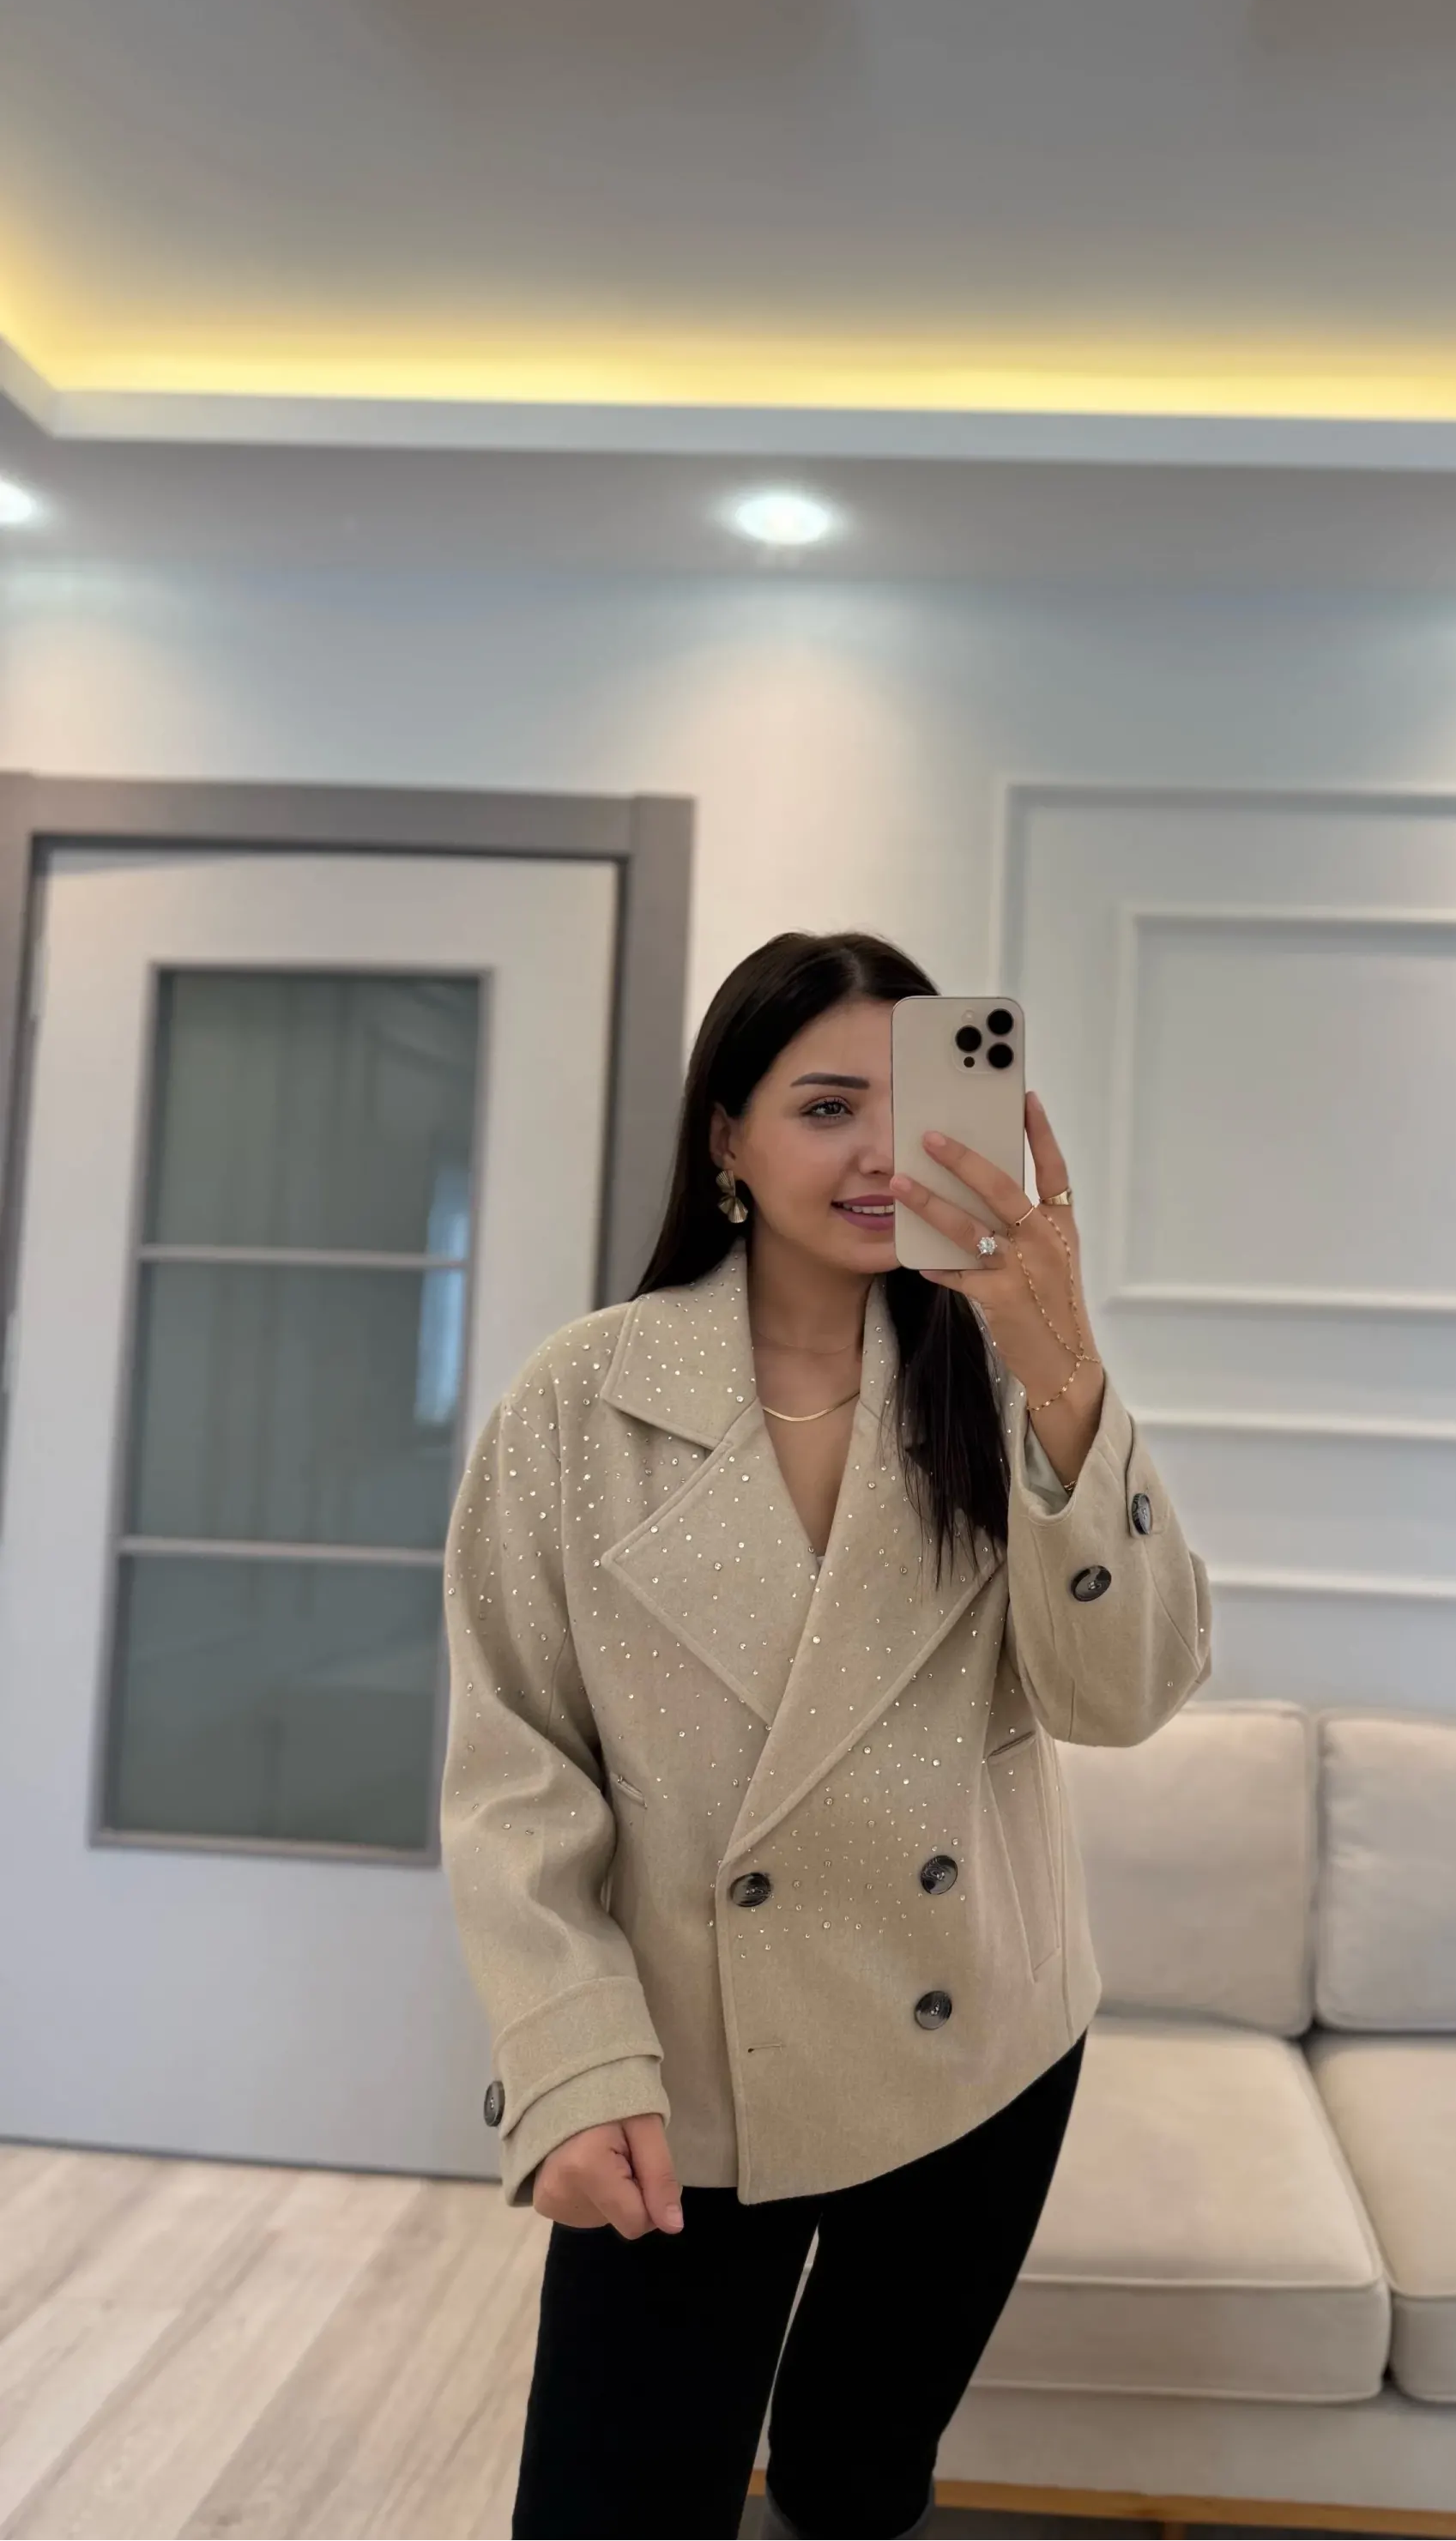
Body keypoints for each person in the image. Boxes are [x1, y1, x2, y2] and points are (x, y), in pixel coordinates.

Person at [442, 929, 1213, 2541]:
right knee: (611, 2505)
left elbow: (1121, 1699)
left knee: (857, 2487)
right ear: (725, 1137)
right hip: (690, 2078)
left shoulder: (1002, 1381)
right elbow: (517, 1768)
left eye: (914, 1105)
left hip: (977, 2050)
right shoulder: (579, 1403)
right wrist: (568, 2063)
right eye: (824, 1106)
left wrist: (1062, 1358)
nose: (879, 1153)